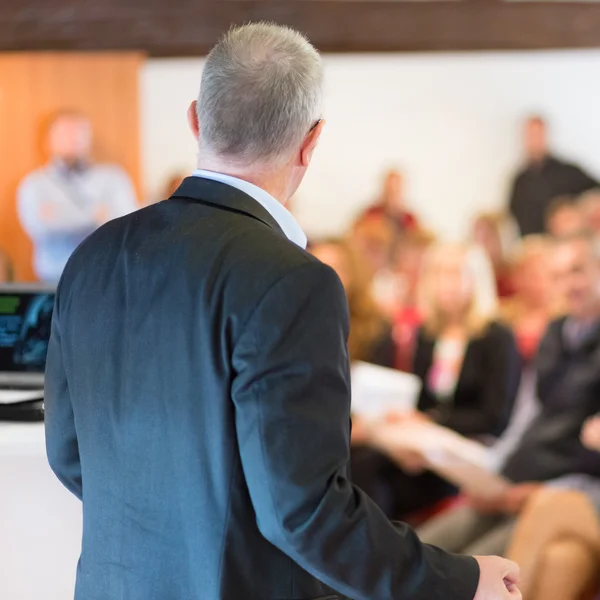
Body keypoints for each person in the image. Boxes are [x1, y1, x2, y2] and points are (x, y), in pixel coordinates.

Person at [43, 23, 519, 600]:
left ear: (196, 119)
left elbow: (70, 452)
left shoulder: (93, 256)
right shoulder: (295, 282)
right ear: (310, 142)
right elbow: (303, 510)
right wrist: (461, 581)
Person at [418, 232, 600, 558]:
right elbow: (525, 417)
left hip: (558, 490)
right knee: (423, 548)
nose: (569, 284)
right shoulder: (557, 332)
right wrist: (494, 475)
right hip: (519, 475)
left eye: (578, 271)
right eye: (558, 275)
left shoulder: (500, 335)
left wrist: (538, 492)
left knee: (474, 566)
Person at [351, 243, 521, 521]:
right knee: (358, 459)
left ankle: (377, 555)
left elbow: (494, 417)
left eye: (456, 274)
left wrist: (429, 421)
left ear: (476, 279)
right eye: (440, 274)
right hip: (421, 445)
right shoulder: (427, 334)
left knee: (373, 475)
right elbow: (419, 400)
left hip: (464, 455)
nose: (448, 284)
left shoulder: (496, 337)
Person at [17, 110, 138, 282]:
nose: (73, 139)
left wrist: (59, 214)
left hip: (106, 277)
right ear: (48, 140)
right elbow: (41, 229)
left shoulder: (114, 177)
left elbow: (127, 224)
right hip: (54, 280)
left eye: (80, 133)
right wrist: (96, 214)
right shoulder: (34, 184)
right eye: (65, 133)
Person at [508, 115, 598, 237]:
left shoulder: (568, 171)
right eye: (531, 135)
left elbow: (595, 193)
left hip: (569, 242)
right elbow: (511, 219)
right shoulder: (519, 181)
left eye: (537, 134)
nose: (534, 140)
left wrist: (578, 215)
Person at [311, 238, 396, 367]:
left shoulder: (375, 330)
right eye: (318, 268)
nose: (325, 278)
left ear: (353, 274)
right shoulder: (296, 324)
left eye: (335, 268)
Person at [501, 236, 555, 362]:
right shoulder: (502, 316)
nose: (537, 281)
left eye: (542, 272)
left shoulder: (565, 316)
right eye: (529, 273)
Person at [472, 213, 516, 298]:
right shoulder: (472, 277)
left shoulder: (512, 279)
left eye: (486, 238)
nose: (480, 245)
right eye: (477, 237)